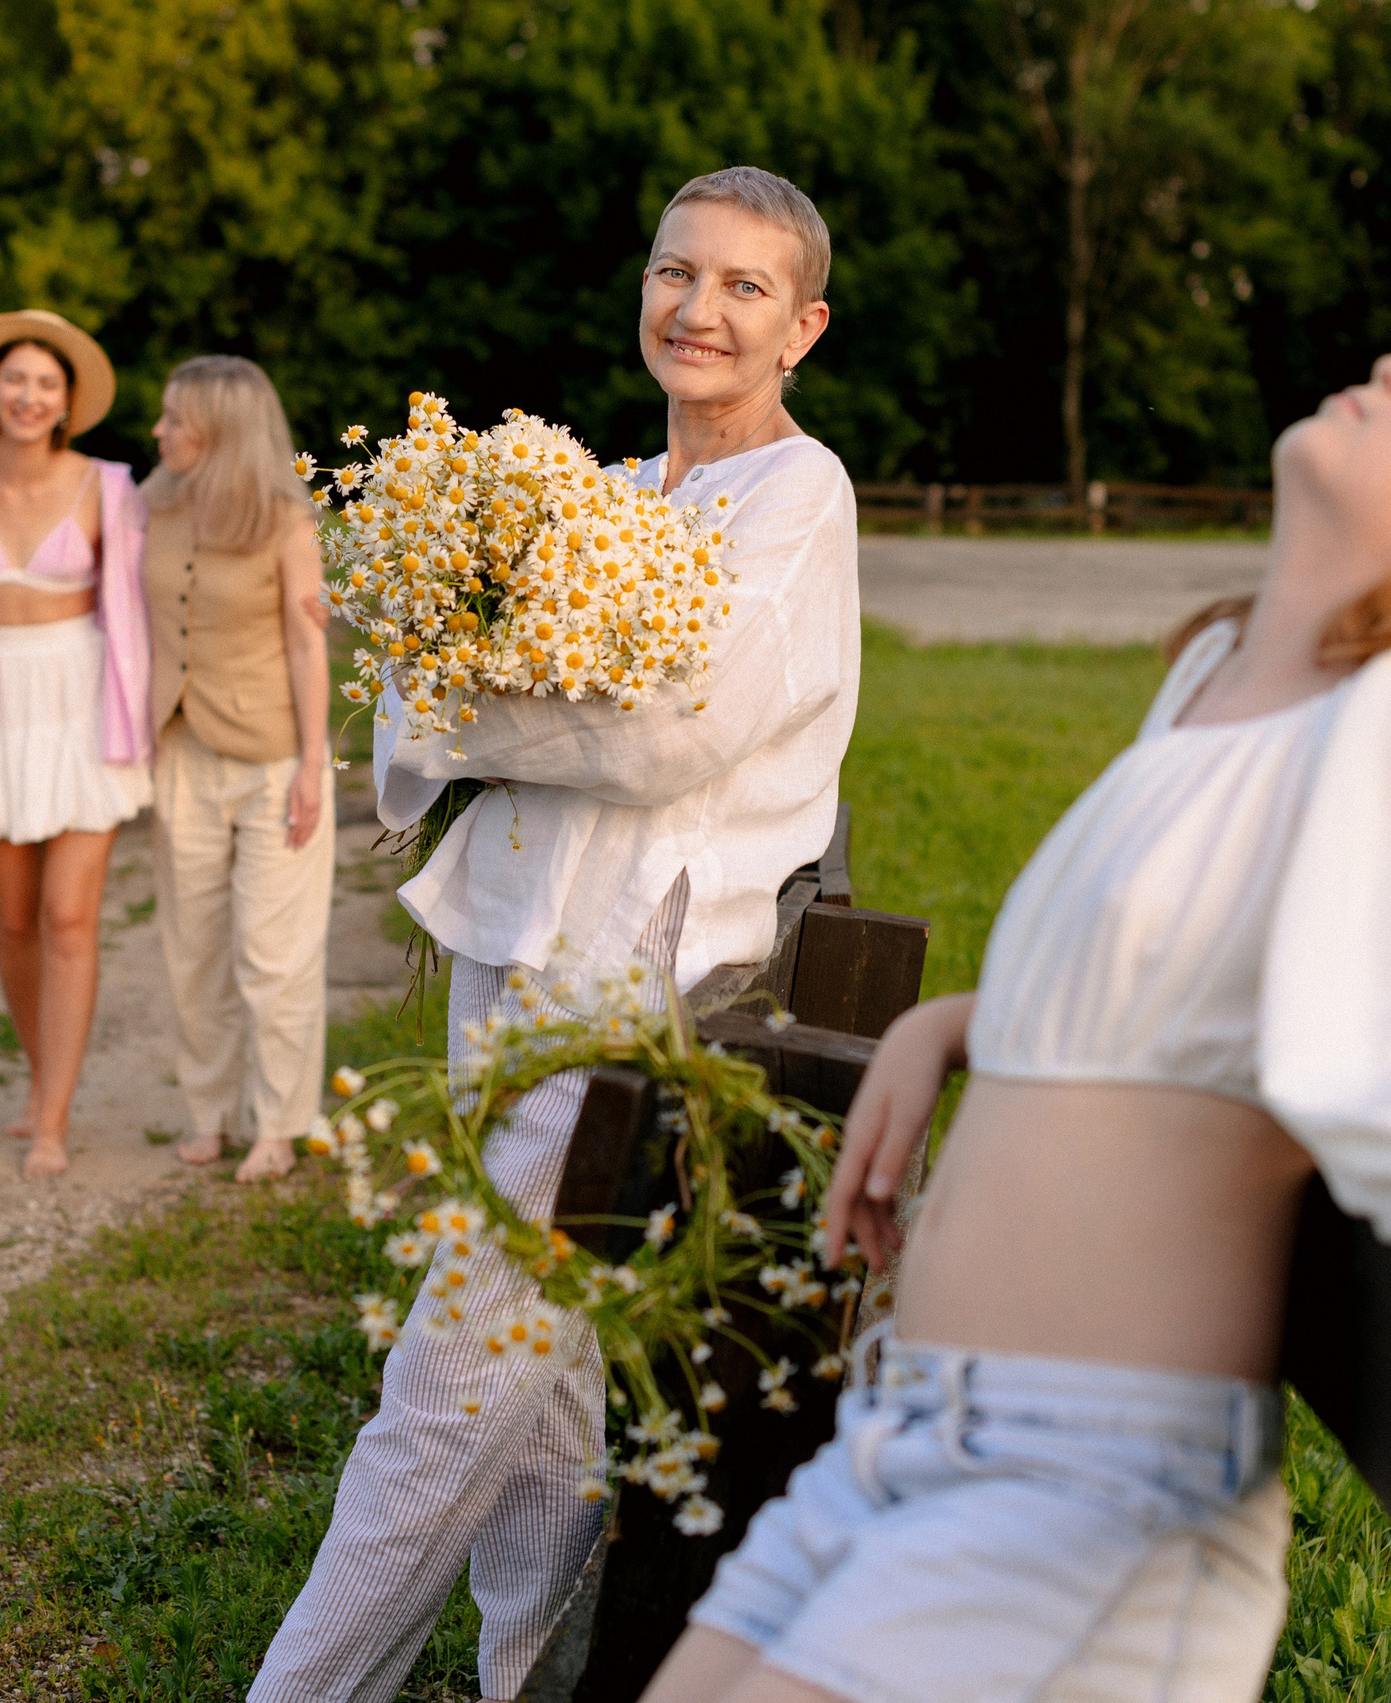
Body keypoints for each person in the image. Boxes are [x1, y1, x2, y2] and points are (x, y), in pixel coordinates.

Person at [638, 355, 1391, 1703]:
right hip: (912, 1431)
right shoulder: (1217, 681)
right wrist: (959, 1026)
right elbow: (1175, 983)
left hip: (1080, 1495)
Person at [248, 166, 858, 1703]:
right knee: (552, 1372)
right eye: (675, 272)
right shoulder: (607, 497)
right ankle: (530, 1671)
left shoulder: (798, 495)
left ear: (805, 326)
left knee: (450, 1372)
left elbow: (672, 736)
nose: (698, 308)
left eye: (741, 286)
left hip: (636, 974)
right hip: (515, 943)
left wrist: (474, 703)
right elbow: (410, 703)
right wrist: (466, 676)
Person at [0, 309, 154, 1181]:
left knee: (67, 914)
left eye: (45, 384)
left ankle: (53, 1117)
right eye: (13, 379)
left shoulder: (113, 486)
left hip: (81, 700)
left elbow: (162, 579)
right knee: (12, 918)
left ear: (67, 403)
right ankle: (37, 1079)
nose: (27, 395)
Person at [138, 355, 335, 1184]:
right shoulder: (152, 506)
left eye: (176, 420)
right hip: (179, 748)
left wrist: (312, 767)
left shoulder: (287, 521)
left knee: (273, 951)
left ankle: (280, 1123)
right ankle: (209, 1112)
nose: (160, 431)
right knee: (192, 947)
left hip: (272, 758)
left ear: (221, 432)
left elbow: (304, 642)